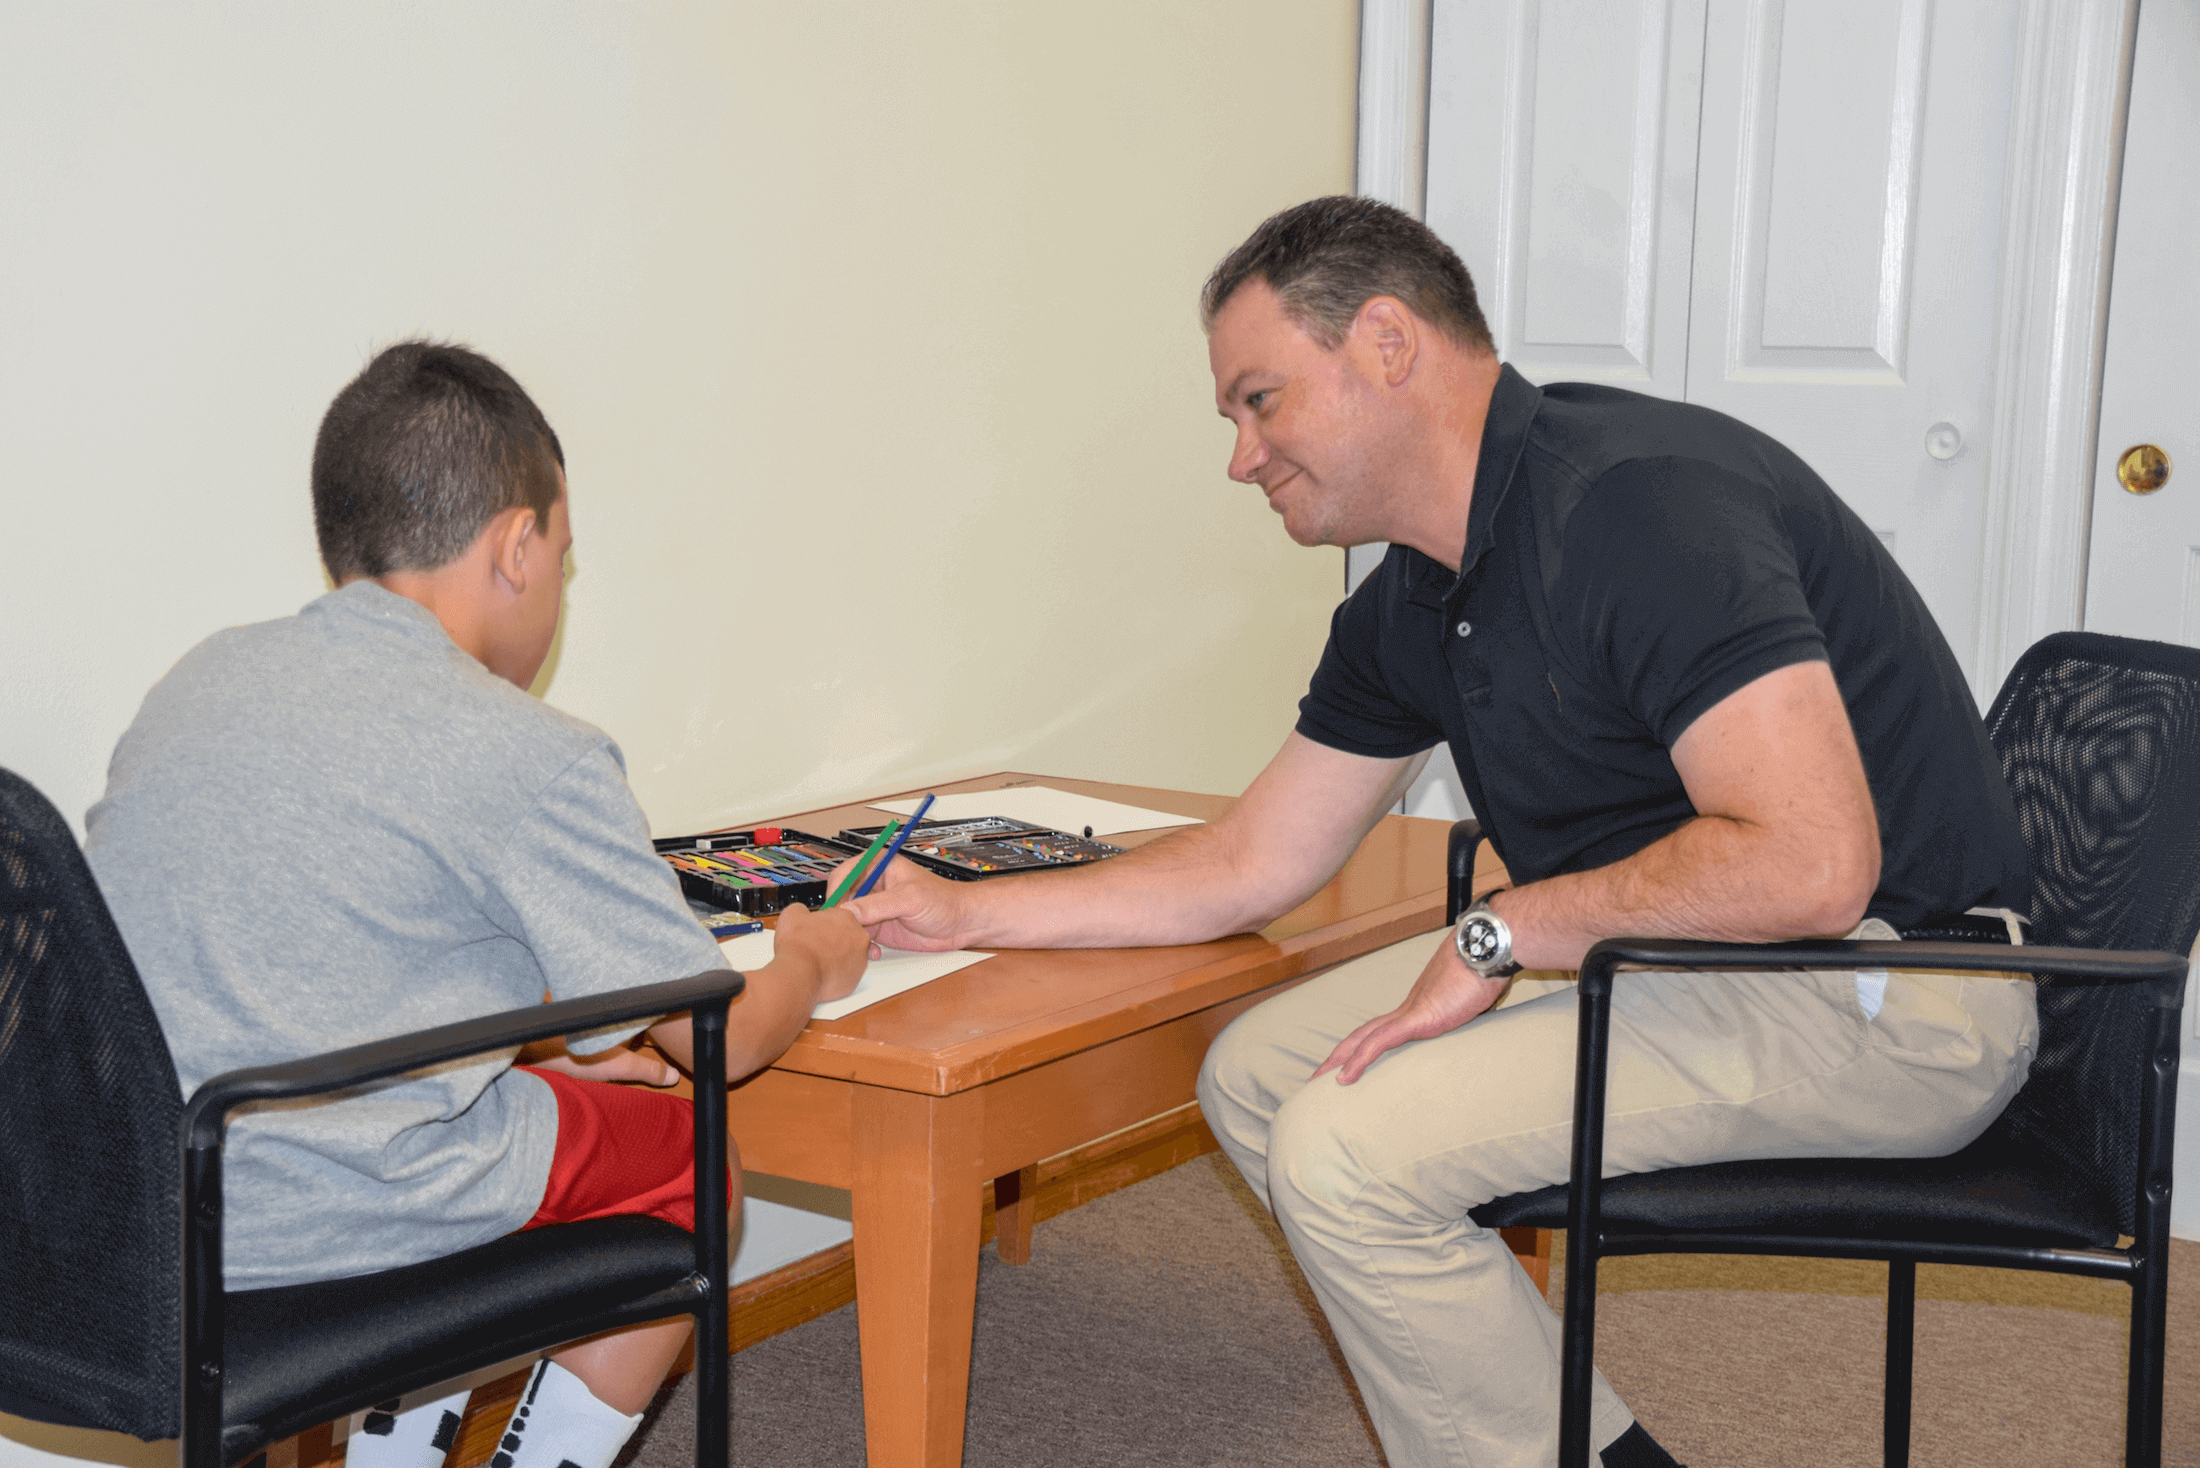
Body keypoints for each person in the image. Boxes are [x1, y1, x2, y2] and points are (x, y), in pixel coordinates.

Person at [847, 197, 2035, 1468]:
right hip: (1694, 963)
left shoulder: (1638, 508)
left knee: (1344, 1153)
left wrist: (1504, 926)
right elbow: (1254, 859)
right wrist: (963, 909)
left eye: (1260, 401)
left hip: (1894, 985)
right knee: (1256, 1076)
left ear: (1385, 343)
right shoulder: (1414, 590)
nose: (1240, 458)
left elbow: (1808, 864)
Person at [85, 342, 871, 1468]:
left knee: (552, 1101)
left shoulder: (197, 681)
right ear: (516, 544)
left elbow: (320, 980)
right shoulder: (523, 751)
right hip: (334, 1203)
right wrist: (811, 956)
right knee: (693, 1157)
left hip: (134, 1207)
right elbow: (725, 1038)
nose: (558, 584)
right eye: (563, 554)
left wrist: (569, 1057)